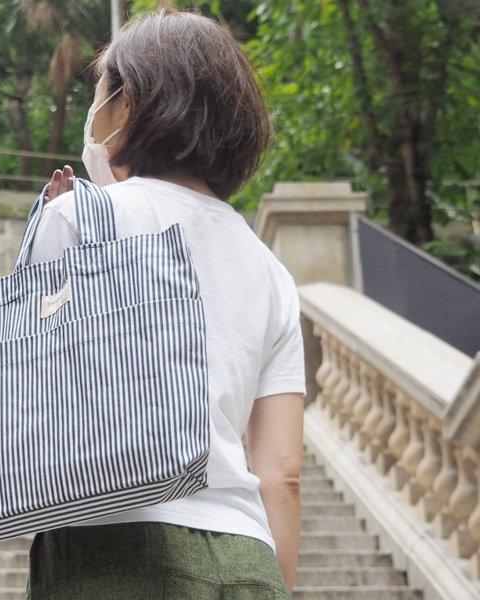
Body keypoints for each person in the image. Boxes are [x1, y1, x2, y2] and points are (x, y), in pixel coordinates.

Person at [26, 9, 305, 600]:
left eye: (100, 92)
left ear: (128, 105)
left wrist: (77, 215)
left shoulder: (75, 216)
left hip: (117, 548)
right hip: (249, 556)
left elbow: (32, 397)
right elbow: (282, 474)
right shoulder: (271, 271)